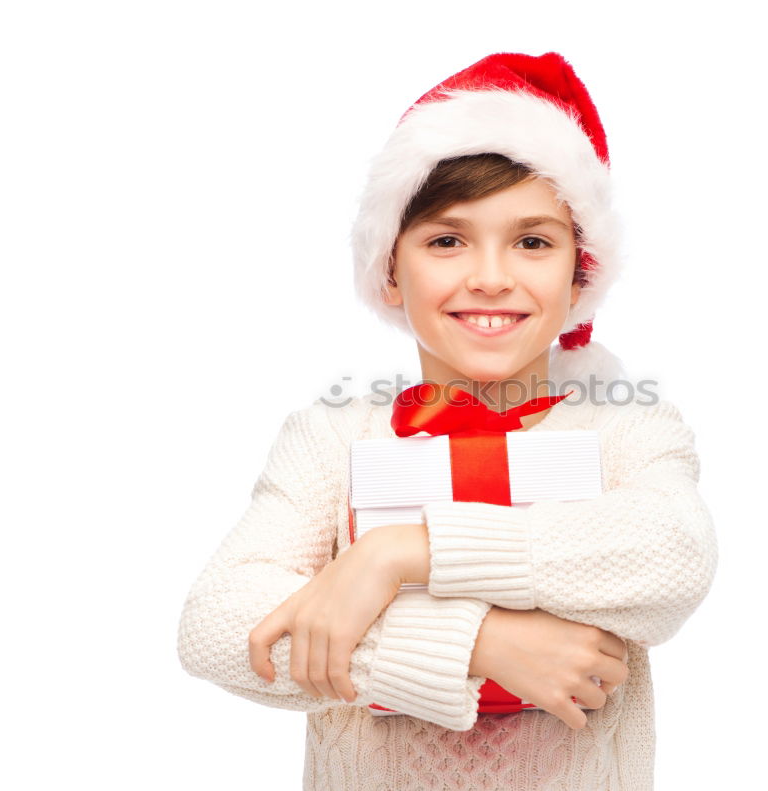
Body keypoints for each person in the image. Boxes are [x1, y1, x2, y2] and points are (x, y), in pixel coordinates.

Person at [177, 51, 718, 790]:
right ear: (391, 270)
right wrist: (478, 644)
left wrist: (400, 553)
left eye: (532, 241)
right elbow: (216, 625)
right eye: (446, 240)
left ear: (579, 272)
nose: (491, 275)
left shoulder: (627, 428)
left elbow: (674, 553)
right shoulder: (333, 437)